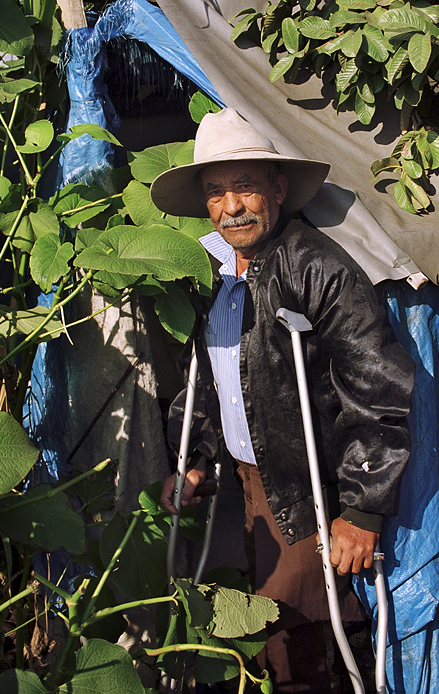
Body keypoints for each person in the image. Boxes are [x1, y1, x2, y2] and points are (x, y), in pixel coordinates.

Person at [153, 108, 414, 693]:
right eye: (216, 193)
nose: (232, 206)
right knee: (273, 628)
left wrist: (364, 508)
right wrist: (194, 462)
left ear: (277, 188)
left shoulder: (316, 268)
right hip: (249, 478)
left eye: (245, 186)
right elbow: (217, 378)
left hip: (306, 485)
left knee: (295, 636)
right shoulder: (216, 275)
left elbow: (378, 387)